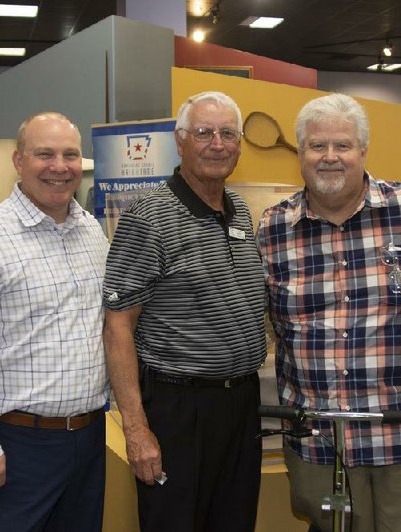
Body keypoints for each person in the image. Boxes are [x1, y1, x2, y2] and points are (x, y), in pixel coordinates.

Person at [257, 93, 401, 532]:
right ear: (300, 154)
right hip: (318, 439)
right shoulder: (272, 229)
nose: (330, 157)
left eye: (342, 145)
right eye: (316, 146)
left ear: (363, 150)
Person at [103, 91, 266, 532]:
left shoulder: (239, 211)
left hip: (239, 403)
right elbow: (117, 325)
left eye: (228, 133)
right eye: (203, 132)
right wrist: (136, 431)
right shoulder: (149, 214)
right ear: (180, 141)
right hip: (179, 408)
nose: (217, 143)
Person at [0, 112, 109, 531]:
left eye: (70, 155)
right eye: (44, 154)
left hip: (89, 438)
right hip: (19, 444)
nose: (59, 166)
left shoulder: (92, 233)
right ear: (18, 161)